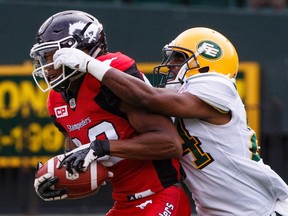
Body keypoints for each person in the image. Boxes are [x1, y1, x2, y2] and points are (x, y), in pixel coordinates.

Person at [54, 27, 288, 215]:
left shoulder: (218, 86)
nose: (171, 64)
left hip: (262, 208)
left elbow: (147, 97)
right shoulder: (178, 97)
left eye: (179, 57)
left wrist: (89, 64)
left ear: (209, 59)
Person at [30, 10, 191, 216]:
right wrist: (57, 183)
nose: (48, 67)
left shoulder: (111, 74)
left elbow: (170, 144)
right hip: (123, 204)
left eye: (53, 56)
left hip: (161, 195)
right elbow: (93, 177)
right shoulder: (56, 100)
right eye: (44, 58)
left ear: (83, 50)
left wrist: (101, 147)